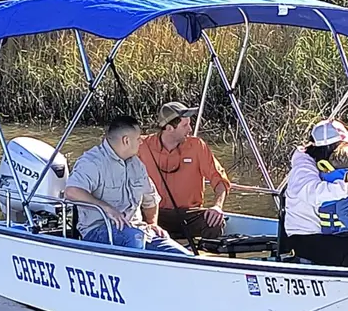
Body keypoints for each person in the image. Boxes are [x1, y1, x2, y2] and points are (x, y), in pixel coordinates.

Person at [63, 113, 191, 255]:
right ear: (126, 140)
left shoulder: (137, 165)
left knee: (183, 255)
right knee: (134, 237)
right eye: (138, 139)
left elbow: (151, 199)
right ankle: (133, 274)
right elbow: (72, 191)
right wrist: (107, 209)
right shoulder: (92, 162)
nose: (141, 142)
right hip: (99, 231)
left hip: (138, 230)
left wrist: (152, 224)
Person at [283, 119, 348, 267]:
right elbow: (315, 194)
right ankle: (345, 286)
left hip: (329, 232)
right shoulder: (302, 169)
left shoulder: (329, 166)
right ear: (330, 148)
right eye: (343, 145)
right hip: (305, 237)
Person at [138, 101, 232, 243]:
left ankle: (202, 260)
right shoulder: (142, 145)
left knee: (215, 224)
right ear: (169, 128)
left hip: (189, 214)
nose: (190, 129)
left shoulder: (197, 146)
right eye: (185, 125)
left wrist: (217, 206)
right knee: (133, 223)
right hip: (153, 212)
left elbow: (219, 180)